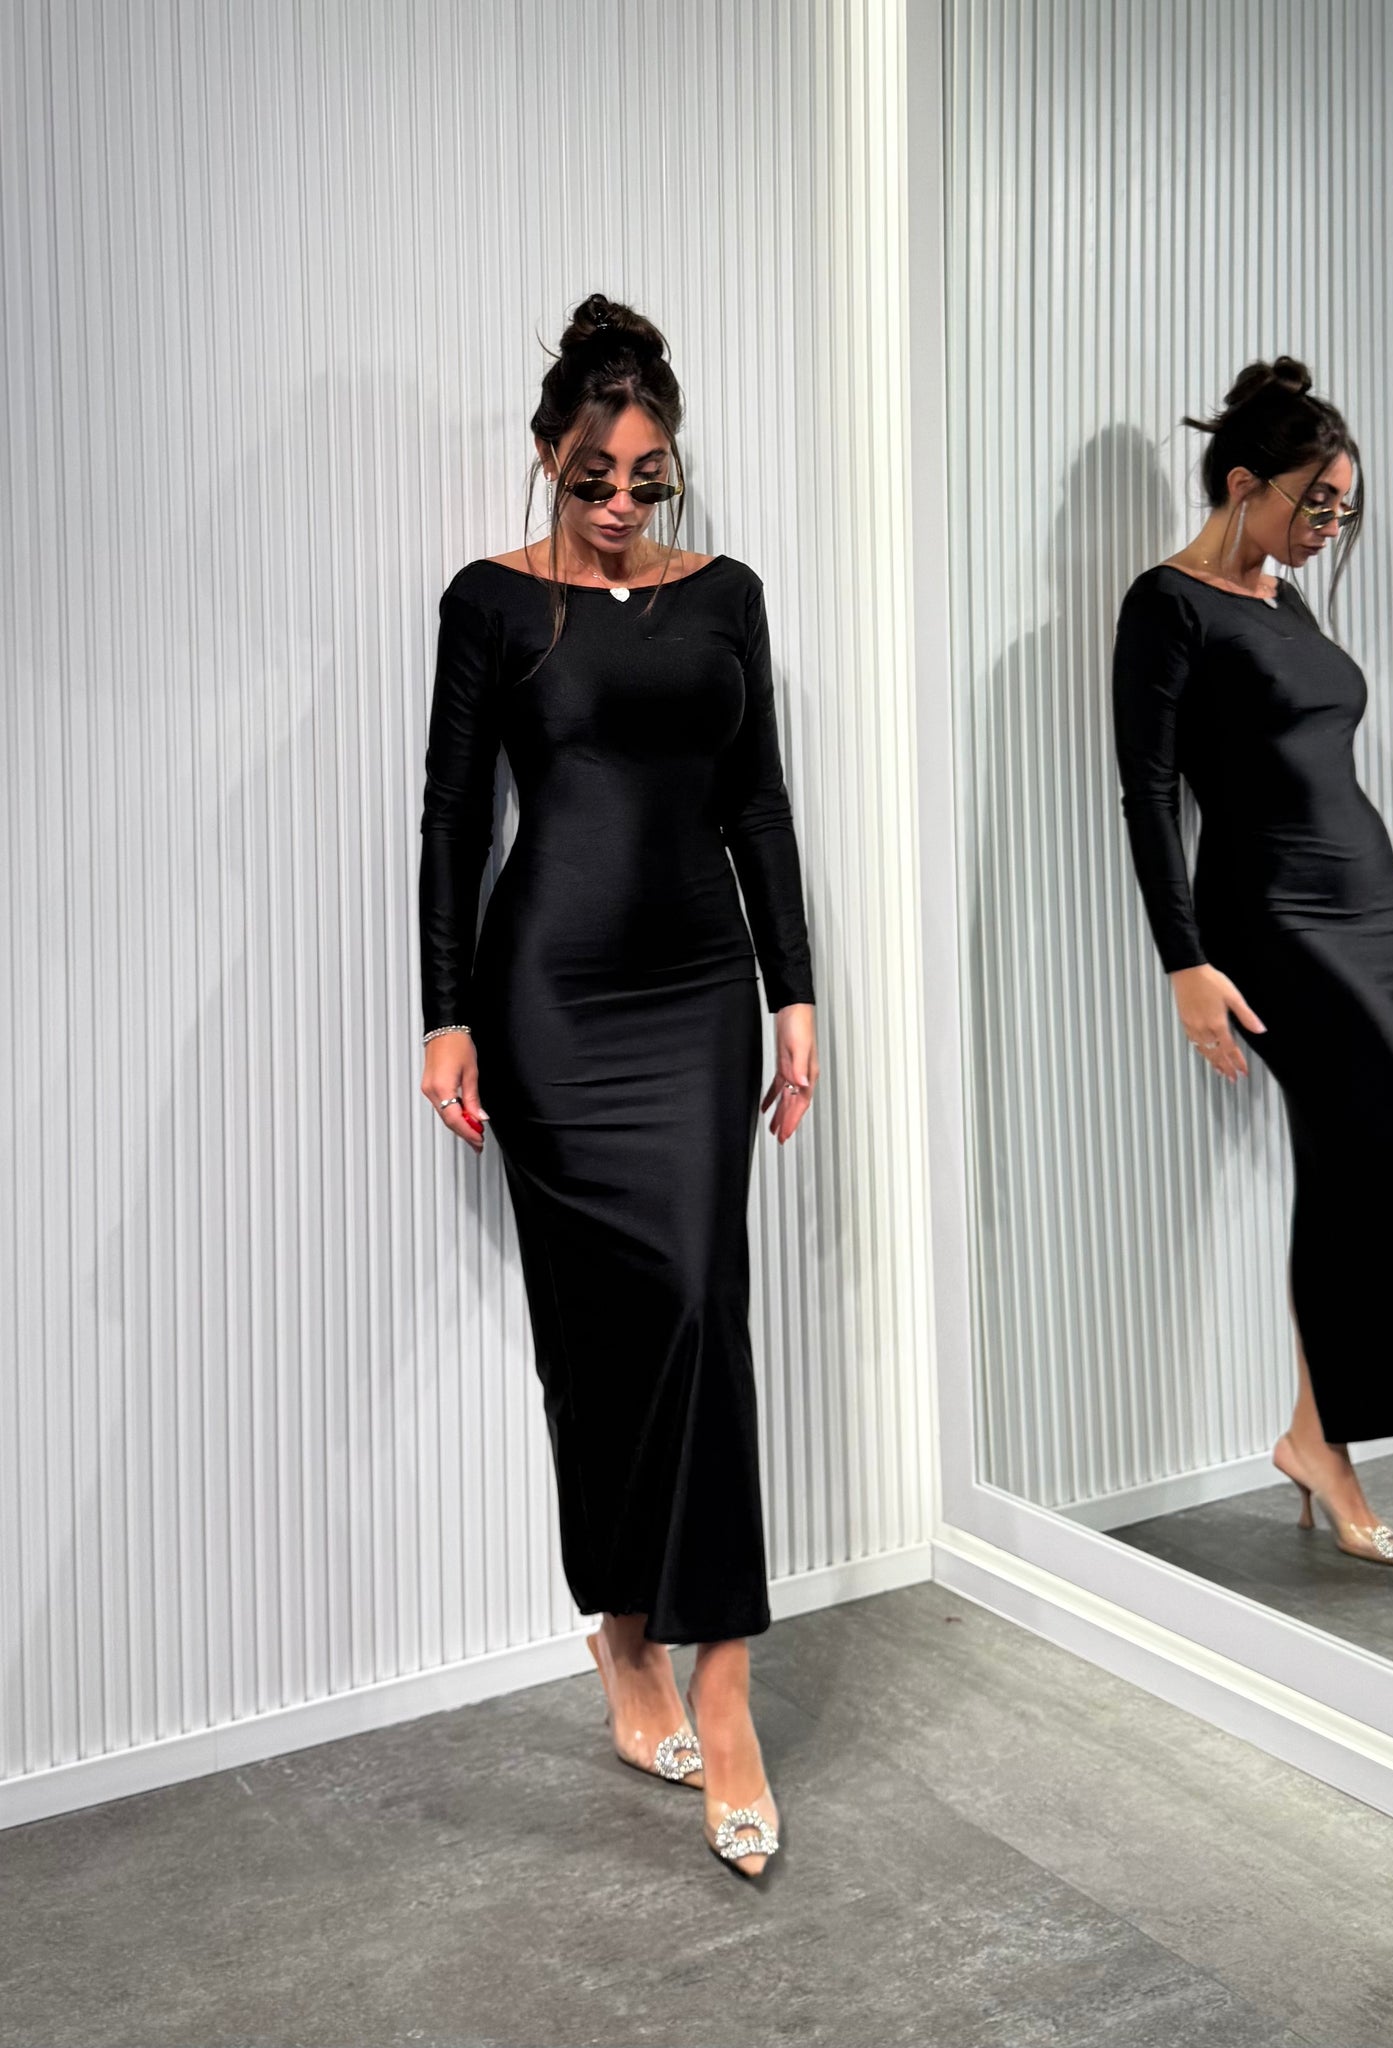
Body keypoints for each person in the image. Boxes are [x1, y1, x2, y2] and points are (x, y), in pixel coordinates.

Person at [418, 293, 820, 1870]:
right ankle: (624, 1635)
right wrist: (447, 1016)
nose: (618, 505)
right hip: (551, 1003)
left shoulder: (726, 598)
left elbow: (758, 802)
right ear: (547, 456)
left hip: (699, 996)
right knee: (593, 1341)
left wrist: (796, 992)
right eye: (593, 478)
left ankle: (723, 1686)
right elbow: (456, 820)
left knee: (705, 1308)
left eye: (646, 480)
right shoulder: (490, 604)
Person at [1112, 356, 1393, 1597]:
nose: (1328, 526)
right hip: (1275, 919)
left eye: (1343, 507)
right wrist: (1185, 961)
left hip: (1368, 914)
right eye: (1316, 502)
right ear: (1244, 483)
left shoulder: (1287, 604)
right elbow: (1147, 796)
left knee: (1351, 1181)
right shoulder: (1167, 603)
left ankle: (1314, 1441)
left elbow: (1329, 772)